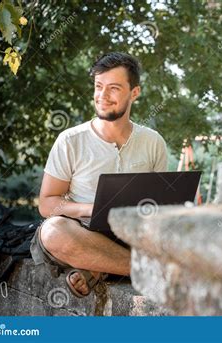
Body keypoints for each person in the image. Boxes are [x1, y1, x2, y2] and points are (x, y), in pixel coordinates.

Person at [30, 52, 168, 298]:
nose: (102, 96)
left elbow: (160, 204)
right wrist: (90, 208)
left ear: (134, 93)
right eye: (98, 87)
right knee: (52, 232)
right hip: (84, 231)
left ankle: (96, 269)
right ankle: (148, 269)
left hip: (133, 235)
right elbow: (47, 203)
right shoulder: (70, 141)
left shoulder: (153, 142)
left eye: (113, 88)